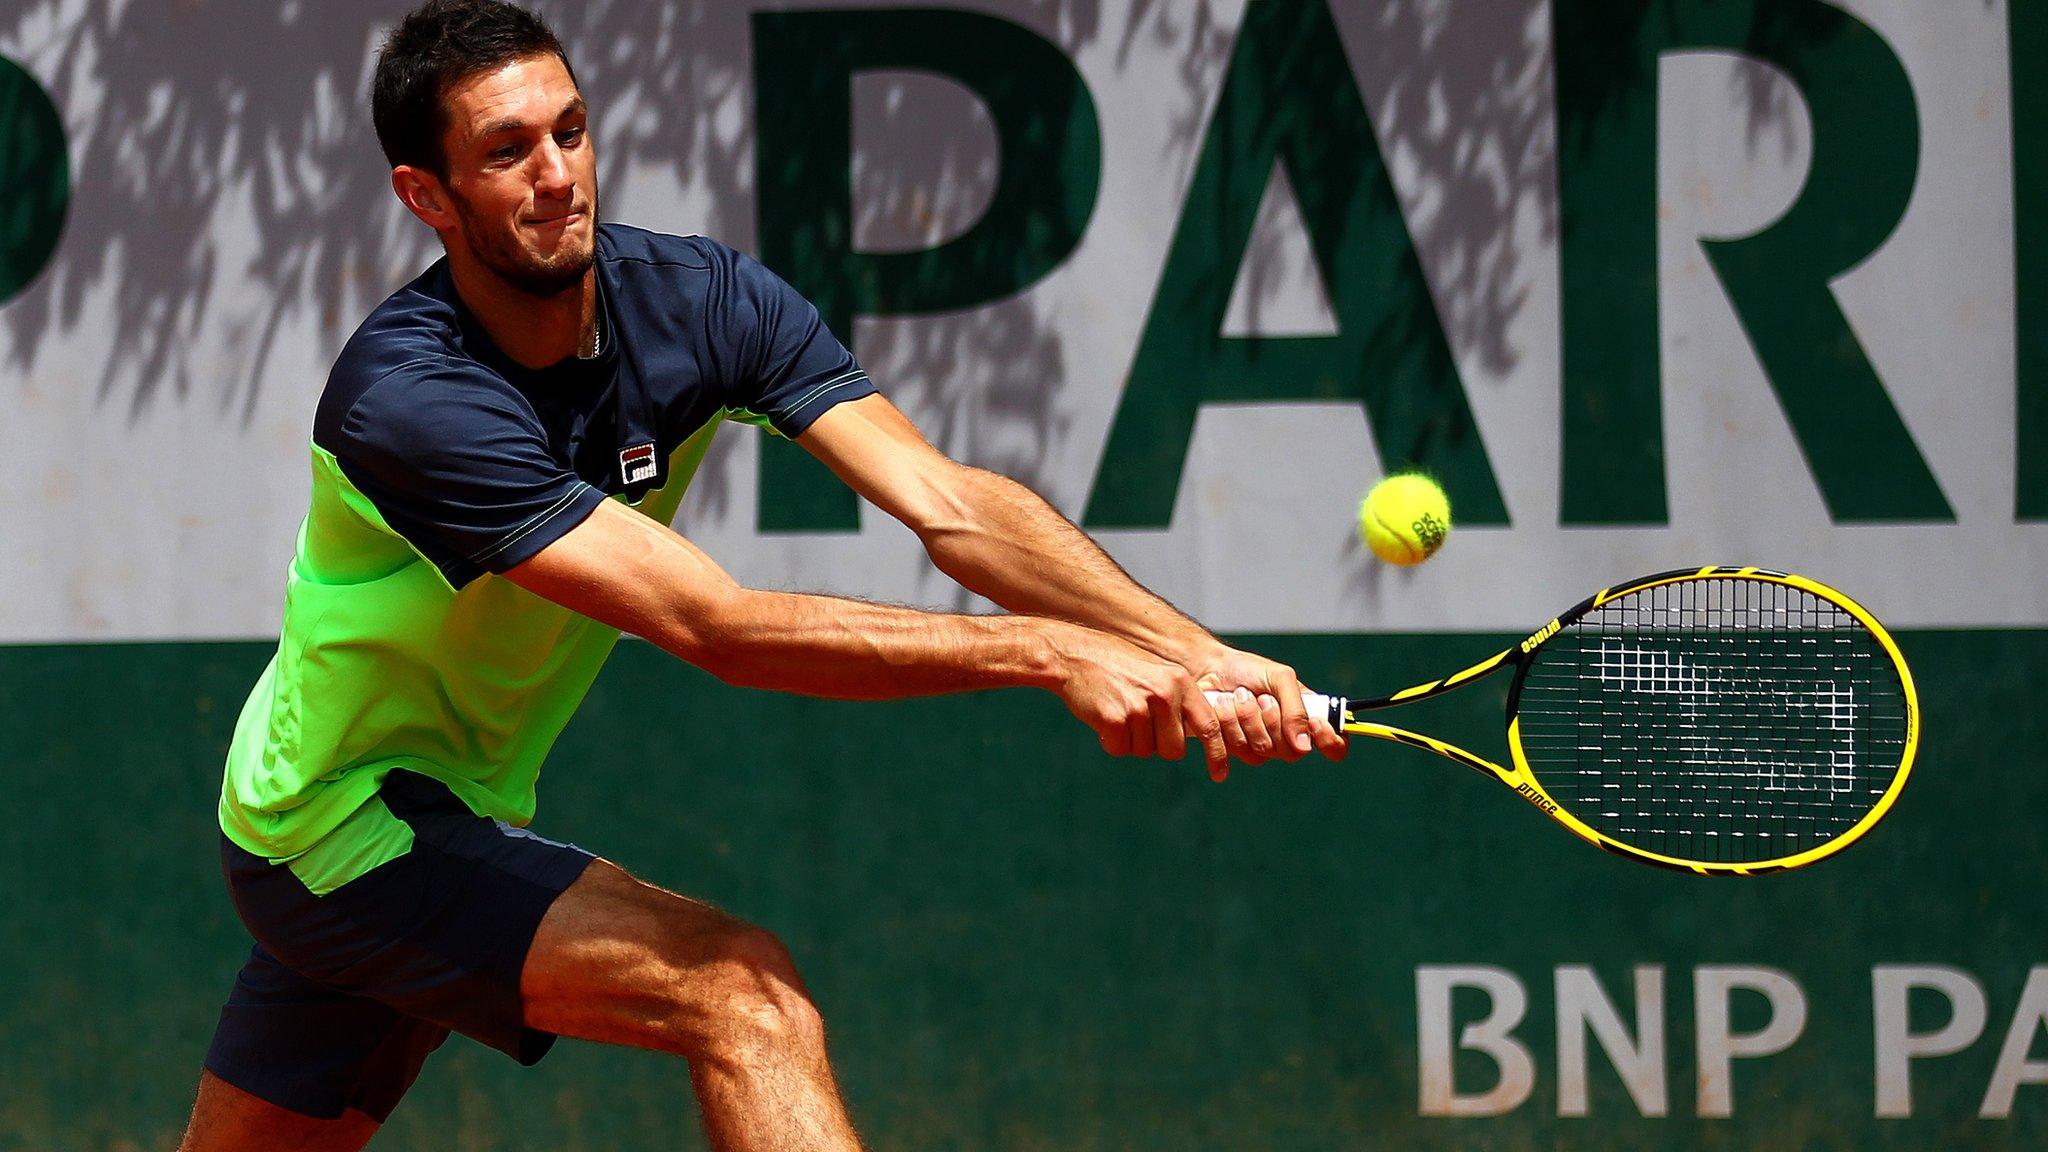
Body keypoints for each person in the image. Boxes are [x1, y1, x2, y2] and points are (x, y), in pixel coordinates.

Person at [176, 2, 1347, 1148]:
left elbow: (949, 506)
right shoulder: (413, 400)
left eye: (569, 130)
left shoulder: (702, 301)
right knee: (741, 997)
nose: (556, 174)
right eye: (505, 150)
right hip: (341, 826)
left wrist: (1197, 654)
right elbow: (715, 625)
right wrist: (1053, 652)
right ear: (426, 196)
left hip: (440, 810)